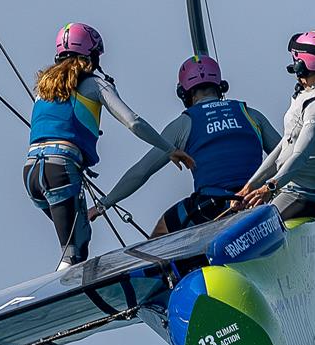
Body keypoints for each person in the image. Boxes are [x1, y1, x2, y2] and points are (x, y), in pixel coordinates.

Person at [24, 23, 194, 269]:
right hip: (60, 171)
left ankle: (68, 277)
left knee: (80, 235)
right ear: (91, 55)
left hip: (31, 174)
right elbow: (134, 122)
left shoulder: (44, 90)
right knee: (74, 251)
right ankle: (65, 287)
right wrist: (169, 149)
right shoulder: (95, 84)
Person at [88, 55, 280, 236]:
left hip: (212, 206)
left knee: (162, 229)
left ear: (183, 93)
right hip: (256, 200)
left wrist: (103, 204)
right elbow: (285, 155)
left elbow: (142, 171)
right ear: (221, 86)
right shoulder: (251, 114)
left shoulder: (183, 124)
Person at [233, 31, 315, 221]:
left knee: (243, 228)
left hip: (300, 197)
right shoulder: (313, 96)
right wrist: (250, 187)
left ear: (302, 64)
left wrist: (269, 188)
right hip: (290, 191)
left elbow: (300, 155)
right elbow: (284, 147)